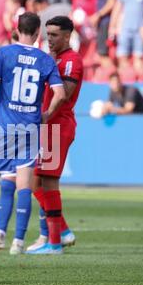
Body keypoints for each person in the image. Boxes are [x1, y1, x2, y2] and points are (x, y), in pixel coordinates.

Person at [0, 12, 66, 255]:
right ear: (38, 32)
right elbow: (60, 94)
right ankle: (18, 243)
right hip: (30, 128)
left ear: (17, 29)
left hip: (5, 127)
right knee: (24, 185)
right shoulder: (45, 59)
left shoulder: (4, 53)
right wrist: (46, 113)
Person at [26, 16, 81, 254]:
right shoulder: (53, 59)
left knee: (48, 182)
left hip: (57, 125)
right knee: (35, 181)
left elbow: (65, 94)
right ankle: (63, 231)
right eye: (47, 34)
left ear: (67, 35)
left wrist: (47, 114)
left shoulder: (71, 61)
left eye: (55, 35)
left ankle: (55, 242)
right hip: (47, 126)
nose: (49, 39)